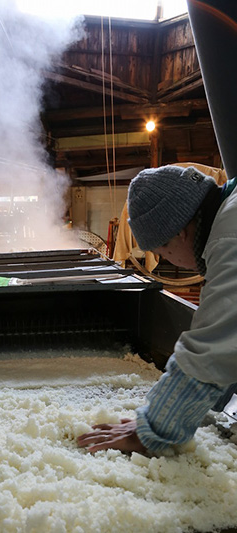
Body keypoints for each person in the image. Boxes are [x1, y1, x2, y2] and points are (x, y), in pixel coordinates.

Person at [77, 165, 237, 454]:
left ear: (181, 233)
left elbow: (213, 348)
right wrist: (200, 407)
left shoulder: (230, 237)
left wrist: (153, 429)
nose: (170, 262)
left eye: (162, 252)